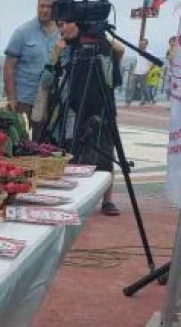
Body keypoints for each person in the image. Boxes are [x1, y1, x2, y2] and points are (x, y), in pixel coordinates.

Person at [42, 18, 124, 215]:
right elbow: (46, 81)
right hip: (70, 108)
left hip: (101, 108)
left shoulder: (101, 46)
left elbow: (112, 78)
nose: (62, 29)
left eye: (65, 24)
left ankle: (107, 200)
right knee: (69, 151)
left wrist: (110, 47)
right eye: (59, 25)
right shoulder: (64, 50)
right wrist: (55, 55)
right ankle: (69, 196)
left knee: (105, 153)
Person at [4, 0, 61, 116]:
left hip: (54, 100)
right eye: (41, 6)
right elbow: (8, 68)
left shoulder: (64, 32)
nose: (44, 10)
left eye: (49, 7)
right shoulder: (22, 32)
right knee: (25, 136)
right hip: (26, 100)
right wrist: (11, 99)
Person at [126, 39, 151, 106]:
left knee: (143, 88)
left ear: (146, 45)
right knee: (131, 87)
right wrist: (133, 70)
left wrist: (148, 71)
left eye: (143, 44)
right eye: (140, 44)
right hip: (135, 72)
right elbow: (136, 62)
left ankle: (147, 99)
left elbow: (152, 63)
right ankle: (128, 100)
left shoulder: (149, 53)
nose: (141, 45)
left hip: (144, 73)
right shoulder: (137, 52)